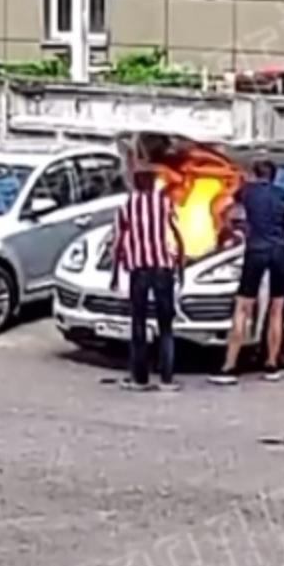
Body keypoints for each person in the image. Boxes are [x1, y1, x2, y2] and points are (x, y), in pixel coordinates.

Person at [210, 158, 284, 386]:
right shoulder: (283, 194)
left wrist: (230, 228)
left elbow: (225, 208)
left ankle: (229, 367)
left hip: (255, 250)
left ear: (254, 174)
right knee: (277, 308)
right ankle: (271, 365)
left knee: (242, 307)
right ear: (274, 176)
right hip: (280, 251)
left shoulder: (245, 192)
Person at [110, 157, 186, 393]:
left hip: (139, 270)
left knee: (139, 324)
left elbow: (118, 242)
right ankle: (167, 379)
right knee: (165, 326)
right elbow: (178, 235)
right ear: (153, 184)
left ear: (135, 184)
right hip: (162, 269)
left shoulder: (126, 206)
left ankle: (139, 379)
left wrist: (115, 274)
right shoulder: (165, 203)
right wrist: (180, 267)